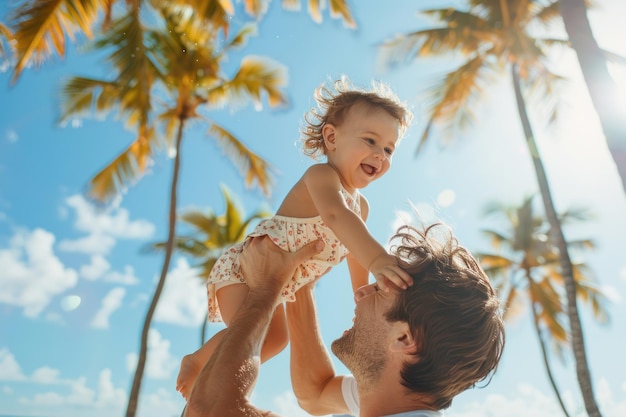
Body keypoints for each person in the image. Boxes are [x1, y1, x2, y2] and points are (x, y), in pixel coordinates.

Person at [176, 76, 414, 400]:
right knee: (245, 337)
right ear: (331, 137)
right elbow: (335, 216)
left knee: (274, 340)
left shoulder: (362, 207)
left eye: (388, 148)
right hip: (246, 271)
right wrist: (379, 259)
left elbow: (353, 249)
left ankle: (213, 382)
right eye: (370, 141)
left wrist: (362, 289)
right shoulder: (322, 177)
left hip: (277, 286)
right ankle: (200, 364)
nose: (380, 155)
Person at [183, 222, 505, 417]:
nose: (361, 292)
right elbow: (315, 391)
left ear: (404, 339)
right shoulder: (394, 396)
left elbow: (208, 410)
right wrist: (298, 281)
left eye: (379, 291)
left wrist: (267, 288)